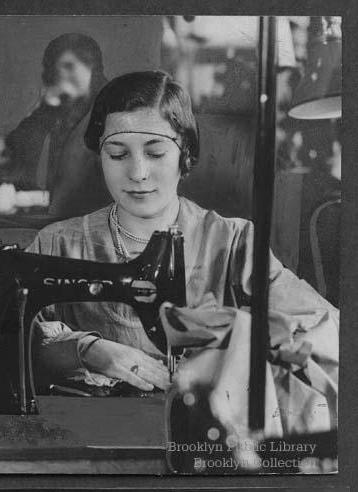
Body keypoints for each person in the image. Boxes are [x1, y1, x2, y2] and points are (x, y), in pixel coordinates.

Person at [27, 71, 338, 402]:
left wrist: (241, 342)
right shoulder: (56, 244)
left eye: (156, 152)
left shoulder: (235, 243)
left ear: (184, 154)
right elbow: (12, 338)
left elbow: (324, 329)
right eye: (117, 154)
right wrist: (88, 350)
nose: (137, 173)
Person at [0, 33, 112, 217]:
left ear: (92, 66)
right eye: (57, 68)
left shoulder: (108, 106)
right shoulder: (62, 106)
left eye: (69, 66)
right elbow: (16, 147)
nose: (62, 75)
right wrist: (44, 107)